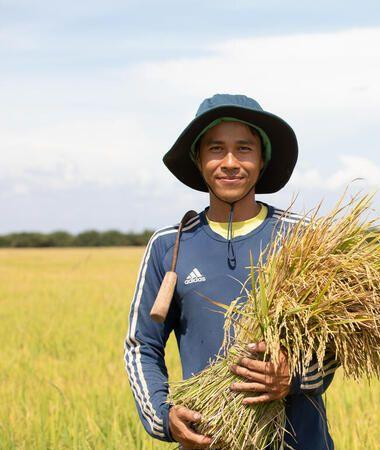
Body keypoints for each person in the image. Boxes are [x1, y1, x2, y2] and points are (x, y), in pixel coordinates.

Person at [123, 94, 338, 449]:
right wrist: (164, 416)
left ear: (263, 158)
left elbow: (340, 342)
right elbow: (140, 345)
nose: (230, 162)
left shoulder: (303, 238)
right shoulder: (169, 247)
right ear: (198, 158)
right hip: (210, 439)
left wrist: (293, 377)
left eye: (244, 149)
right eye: (216, 149)